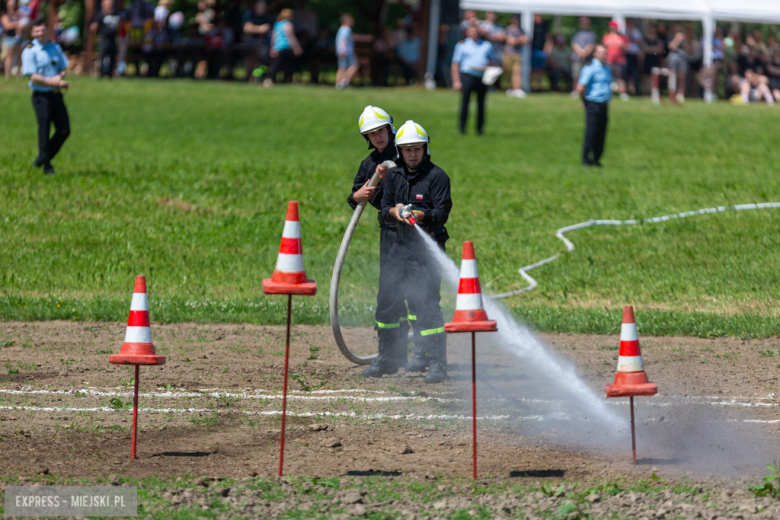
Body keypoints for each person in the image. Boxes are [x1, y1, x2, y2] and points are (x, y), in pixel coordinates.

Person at [380, 120, 452, 384]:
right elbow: (383, 211)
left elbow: (442, 213)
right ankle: (403, 356)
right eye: (407, 149)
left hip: (426, 251)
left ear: (425, 148)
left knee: (426, 303)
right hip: (397, 248)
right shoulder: (395, 176)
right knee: (398, 301)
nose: (412, 154)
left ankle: (437, 363)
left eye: (417, 149)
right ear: (399, 151)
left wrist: (423, 215)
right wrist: (394, 212)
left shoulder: (437, 177)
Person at [349, 106, 408, 378]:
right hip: (390, 235)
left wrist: (390, 179)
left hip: (416, 234)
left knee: (421, 296)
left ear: (390, 128)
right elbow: (357, 196)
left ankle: (422, 353)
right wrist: (357, 195)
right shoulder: (367, 166)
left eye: (381, 131)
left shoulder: (408, 153)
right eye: (371, 134)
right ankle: (388, 357)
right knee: (388, 294)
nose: (378, 137)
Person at [21, 18, 70, 175]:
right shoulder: (29, 51)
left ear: (47, 30)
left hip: (56, 95)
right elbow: (33, 77)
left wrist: (59, 77)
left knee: (64, 130)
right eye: (37, 31)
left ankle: (42, 158)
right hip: (41, 96)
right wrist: (53, 82)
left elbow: (63, 67)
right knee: (44, 130)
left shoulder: (54, 47)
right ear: (32, 33)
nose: (40, 33)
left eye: (42, 30)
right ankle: (47, 166)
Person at [451, 23, 498, 135]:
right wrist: (456, 81)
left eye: (476, 31)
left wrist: (491, 66)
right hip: (468, 75)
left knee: (481, 104)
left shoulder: (486, 45)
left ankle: (479, 129)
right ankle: (462, 128)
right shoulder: (462, 45)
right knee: (465, 103)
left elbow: (493, 60)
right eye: (471, 31)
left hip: (482, 77)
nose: (474, 34)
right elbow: (455, 63)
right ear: (467, 33)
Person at [576, 44, 612, 167]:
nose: (603, 54)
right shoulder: (590, 68)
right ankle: (586, 159)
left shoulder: (607, 68)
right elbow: (580, 87)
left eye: (605, 52)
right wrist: (585, 101)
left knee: (602, 133)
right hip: (593, 103)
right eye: (601, 52)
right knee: (591, 132)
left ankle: (597, 159)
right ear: (595, 54)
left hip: (604, 103)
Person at [264, 8, 301, 86]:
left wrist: (272, 47)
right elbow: (291, 36)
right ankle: (270, 79)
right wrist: (296, 47)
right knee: (281, 65)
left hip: (277, 47)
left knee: (284, 64)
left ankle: (287, 79)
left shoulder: (277, 24)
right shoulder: (288, 24)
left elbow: (273, 37)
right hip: (285, 47)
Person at [90, 0, 122, 78]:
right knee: (102, 57)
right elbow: (93, 26)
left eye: (110, 4)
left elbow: (120, 25)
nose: (109, 5)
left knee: (112, 57)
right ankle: (100, 74)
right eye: (108, 4)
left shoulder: (115, 13)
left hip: (113, 39)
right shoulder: (100, 14)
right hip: (104, 39)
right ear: (103, 5)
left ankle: (110, 74)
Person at [243, 0, 272, 83]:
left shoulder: (266, 17)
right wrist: (260, 29)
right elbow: (246, 28)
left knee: (266, 57)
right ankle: (254, 77)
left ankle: (259, 76)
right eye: (261, 5)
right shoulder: (251, 15)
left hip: (264, 43)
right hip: (253, 42)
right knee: (259, 56)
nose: (263, 7)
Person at [602, 20, 628, 100]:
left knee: (621, 77)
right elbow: (602, 47)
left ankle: (622, 92)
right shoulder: (606, 36)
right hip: (609, 59)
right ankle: (607, 92)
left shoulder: (622, 36)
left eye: (614, 27)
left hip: (620, 60)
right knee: (607, 76)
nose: (613, 28)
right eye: (611, 26)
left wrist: (621, 45)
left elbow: (627, 47)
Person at [503, 17, 528, 98]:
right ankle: (511, 88)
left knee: (516, 71)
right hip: (509, 53)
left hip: (517, 53)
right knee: (507, 72)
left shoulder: (521, 29)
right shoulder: (509, 29)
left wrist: (517, 40)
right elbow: (511, 41)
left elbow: (527, 39)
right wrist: (520, 40)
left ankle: (517, 89)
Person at [570, 16, 595, 91]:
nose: (583, 24)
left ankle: (585, 90)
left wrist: (585, 53)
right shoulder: (576, 33)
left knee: (586, 75)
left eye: (585, 23)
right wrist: (580, 52)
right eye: (582, 23)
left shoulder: (591, 34)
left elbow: (591, 45)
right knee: (576, 75)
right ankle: (575, 90)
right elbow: (573, 44)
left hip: (587, 58)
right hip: (577, 57)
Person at [335, 13, 357, 89]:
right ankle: (344, 81)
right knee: (354, 65)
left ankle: (338, 84)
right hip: (346, 51)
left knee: (341, 67)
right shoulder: (346, 29)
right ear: (347, 21)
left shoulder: (340, 29)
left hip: (340, 51)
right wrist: (342, 50)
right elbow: (343, 40)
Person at [2, 0, 24, 78]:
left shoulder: (18, 13)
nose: (12, 6)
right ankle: (7, 75)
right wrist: (17, 23)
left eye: (13, 4)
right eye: (10, 4)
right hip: (9, 38)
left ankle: (19, 75)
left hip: (19, 38)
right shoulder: (5, 15)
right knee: (9, 56)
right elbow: (7, 26)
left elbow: (24, 23)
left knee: (19, 56)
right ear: (7, 5)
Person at [666, 24, 688, 102]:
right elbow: (672, 47)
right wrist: (677, 39)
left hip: (682, 57)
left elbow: (688, 48)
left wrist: (683, 39)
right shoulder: (670, 37)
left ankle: (680, 94)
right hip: (673, 58)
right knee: (672, 76)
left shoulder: (684, 37)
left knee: (681, 77)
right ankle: (672, 94)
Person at [530, 14, 548, 91]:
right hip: (531, 50)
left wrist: (547, 50)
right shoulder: (529, 25)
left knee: (540, 69)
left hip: (541, 50)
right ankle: (530, 85)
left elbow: (548, 38)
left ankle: (539, 86)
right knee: (531, 69)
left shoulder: (544, 26)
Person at [624, 19, 642, 95]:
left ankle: (636, 91)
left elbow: (640, 41)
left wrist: (630, 39)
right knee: (625, 74)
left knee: (635, 74)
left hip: (634, 55)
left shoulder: (636, 31)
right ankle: (626, 90)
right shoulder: (624, 30)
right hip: (626, 54)